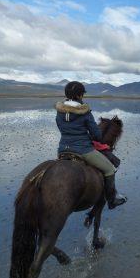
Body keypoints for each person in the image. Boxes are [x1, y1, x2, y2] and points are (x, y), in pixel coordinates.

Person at [55, 81, 127, 209]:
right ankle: (112, 200)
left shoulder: (59, 112)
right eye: (82, 94)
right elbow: (97, 135)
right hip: (83, 150)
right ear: (79, 96)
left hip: (62, 150)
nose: (83, 96)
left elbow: (62, 129)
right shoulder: (85, 112)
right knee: (110, 169)